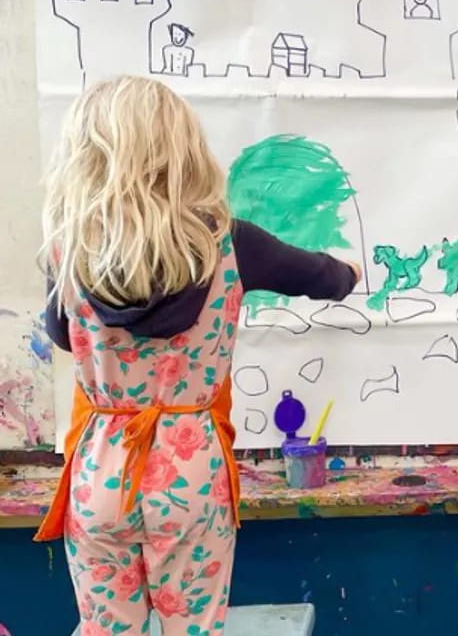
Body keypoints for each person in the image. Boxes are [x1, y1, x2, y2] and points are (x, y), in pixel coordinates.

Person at [35, 76, 361, 636]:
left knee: (107, 630)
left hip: (100, 473)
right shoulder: (232, 243)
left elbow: (65, 339)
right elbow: (325, 278)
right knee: (193, 627)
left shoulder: (69, 251)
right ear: (185, 152)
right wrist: (349, 271)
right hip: (191, 473)